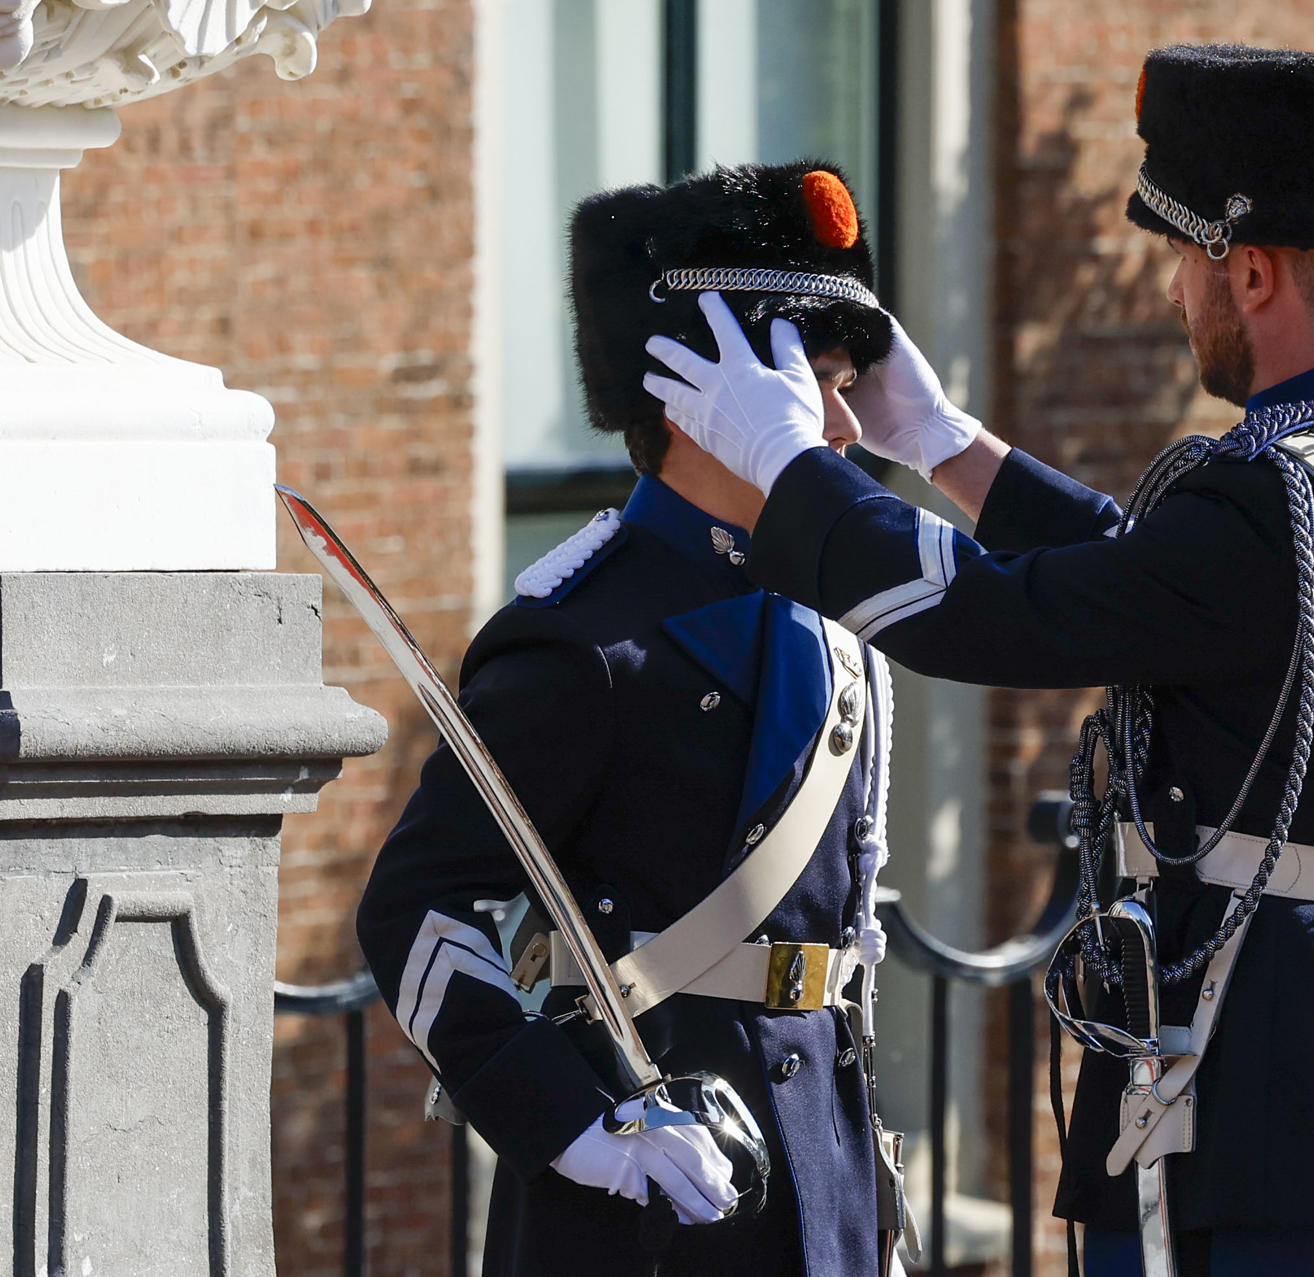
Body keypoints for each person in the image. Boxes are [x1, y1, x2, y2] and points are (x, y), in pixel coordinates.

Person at [642, 44, 1314, 1277]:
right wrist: (950, 449)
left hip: (1262, 1109)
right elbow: (1165, 588)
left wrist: (797, 469)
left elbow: (989, 617)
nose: (1175, 292)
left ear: (1254, 271)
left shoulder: (1267, 506)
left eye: (1185, 257)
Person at [355, 160, 907, 1277]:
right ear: (708, 393)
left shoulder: (836, 610)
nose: (845, 426)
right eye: (822, 383)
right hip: (651, 1191)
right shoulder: (582, 637)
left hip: (828, 1179)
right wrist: (577, 1126)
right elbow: (417, 906)